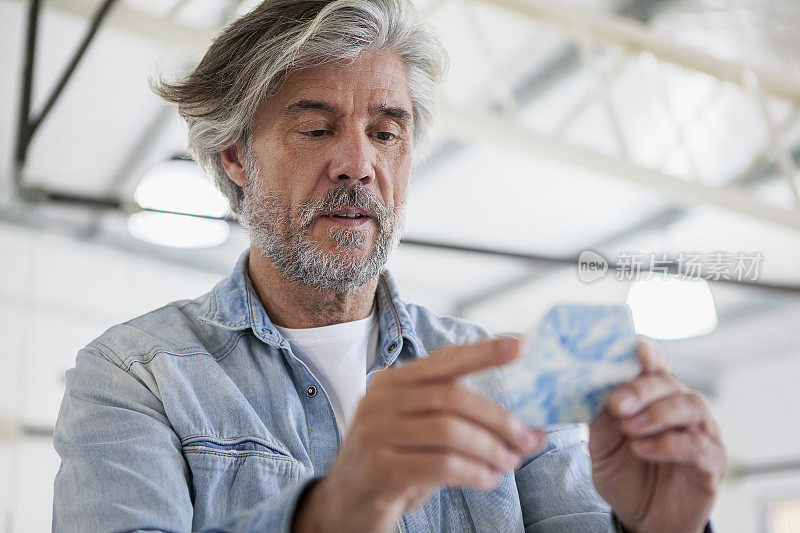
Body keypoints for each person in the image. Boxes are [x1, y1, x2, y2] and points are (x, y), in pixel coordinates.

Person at [52, 0, 726, 531]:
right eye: (316, 129)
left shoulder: (508, 376)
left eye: (385, 131)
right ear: (235, 156)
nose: (358, 163)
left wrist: (654, 527)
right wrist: (328, 514)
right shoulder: (136, 375)